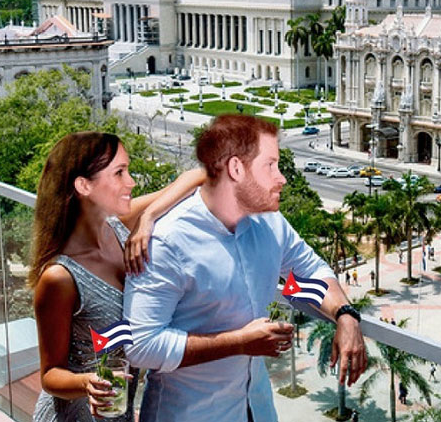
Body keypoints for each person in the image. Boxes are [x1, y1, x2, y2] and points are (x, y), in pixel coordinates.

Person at [125, 114, 367, 422]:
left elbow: (310, 270)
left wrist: (345, 315)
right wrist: (239, 342)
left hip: (257, 406)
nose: (282, 178)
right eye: (270, 166)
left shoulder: (269, 222)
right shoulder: (167, 241)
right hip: (189, 412)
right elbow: (141, 345)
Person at [29, 132, 206, 422]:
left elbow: (197, 176)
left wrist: (149, 217)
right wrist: (86, 382)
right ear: (84, 185)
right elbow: (50, 375)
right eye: (119, 173)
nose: (131, 182)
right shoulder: (60, 277)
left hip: (118, 413)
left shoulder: (120, 226)